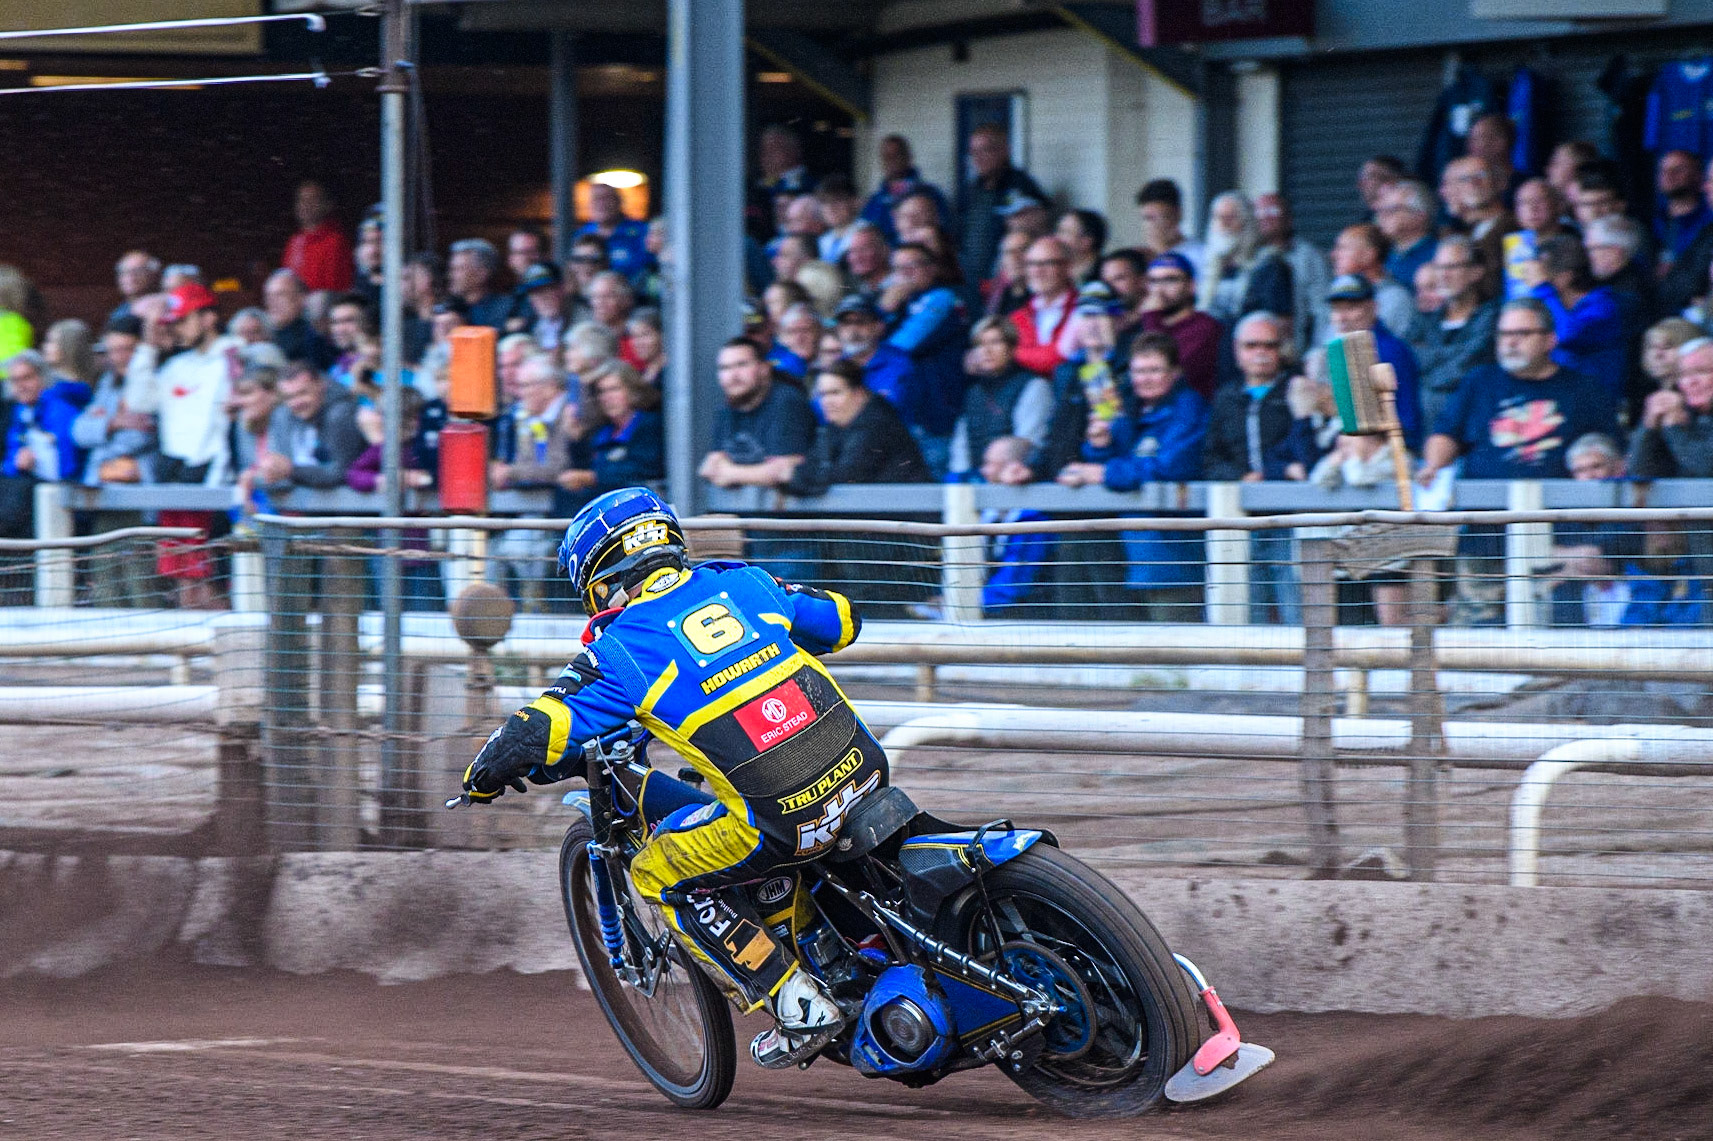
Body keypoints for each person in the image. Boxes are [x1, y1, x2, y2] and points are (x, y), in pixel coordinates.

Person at [460, 486, 880, 1067]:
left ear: (602, 578)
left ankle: (796, 1003)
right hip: (865, 772)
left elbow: (543, 728)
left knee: (659, 870)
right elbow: (841, 619)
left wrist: (483, 774)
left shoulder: (622, 650)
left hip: (786, 819)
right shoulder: (746, 584)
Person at [1057, 333, 1208, 619]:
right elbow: (1121, 461)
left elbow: (1169, 467)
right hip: (1134, 558)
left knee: (1174, 653)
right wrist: (1099, 445)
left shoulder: (1188, 407)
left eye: (1155, 370)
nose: (1145, 378)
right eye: (1139, 370)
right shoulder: (1133, 412)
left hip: (1175, 561)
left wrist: (1101, 471)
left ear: (1175, 373)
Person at [1421, 298, 1619, 484]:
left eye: (1522, 333)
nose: (1511, 342)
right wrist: (1433, 466)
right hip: (1486, 511)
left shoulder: (1585, 389)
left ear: (1550, 340)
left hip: (1560, 512)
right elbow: (1446, 433)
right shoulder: (1479, 381)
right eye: (1504, 334)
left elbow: (1611, 452)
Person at [1202, 312, 1301, 624]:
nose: (1260, 353)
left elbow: (1305, 451)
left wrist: (1276, 473)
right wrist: (1239, 479)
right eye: (1251, 345)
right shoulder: (1225, 398)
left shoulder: (1296, 391)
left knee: (1296, 605)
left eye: (1269, 346)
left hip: (1292, 518)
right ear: (1237, 350)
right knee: (1246, 608)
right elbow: (1209, 460)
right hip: (1241, 520)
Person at [878, 242, 968, 473]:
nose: (905, 274)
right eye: (898, 268)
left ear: (932, 269)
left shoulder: (943, 298)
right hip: (905, 419)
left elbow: (901, 346)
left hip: (934, 421)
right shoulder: (902, 307)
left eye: (912, 266)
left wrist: (884, 312)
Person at [782, 360, 929, 495]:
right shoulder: (833, 427)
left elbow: (845, 476)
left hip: (906, 517)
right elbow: (814, 465)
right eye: (822, 395)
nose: (827, 402)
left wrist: (790, 474)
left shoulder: (877, 424)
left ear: (859, 393)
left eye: (835, 393)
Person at [1407, 234, 1499, 431]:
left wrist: (1428, 365)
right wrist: (1452, 354)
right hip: (1426, 431)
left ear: (1475, 272)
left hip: (1473, 430)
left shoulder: (1493, 317)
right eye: (1439, 267)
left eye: (1452, 267)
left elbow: (1466, 366)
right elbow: (1409, 359)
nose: (1443, 275)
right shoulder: (1424, 320)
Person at [700, 337, 816, 490]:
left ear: (764, 369)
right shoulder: (726, 410)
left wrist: (730, 473)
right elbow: (709, 467)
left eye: (742, 365)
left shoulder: (786, 401)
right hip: (744, 510)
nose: (733, 376)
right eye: (724, 368)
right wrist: (757, 473)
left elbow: (784, 470)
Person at [1325, 274, 1424, 448]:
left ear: (1373, 307)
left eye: (1350, 308)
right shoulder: (1337, 350)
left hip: (1389, 451)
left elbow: (1404, 421)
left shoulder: (1389, 351)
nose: (1342, 317)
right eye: (1336, 309)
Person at [949, 316, 1052, 478]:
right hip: (978, 486)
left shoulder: (1033, 385)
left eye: (995, 342)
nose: (986, 350)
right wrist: (961, 477)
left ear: (1011, 348)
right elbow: (961, 447)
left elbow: (1029, 444)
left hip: (1016, 484)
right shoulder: (973, 392)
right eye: (979, 344)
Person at [1528, 234, 1626, 402]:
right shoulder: (1557, 307)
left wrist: (1543, 288)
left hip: (1596, 402)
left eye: (1543, 275)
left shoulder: (1603, 306)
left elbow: (1566, 335)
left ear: (1565, 277)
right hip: (1560, 397)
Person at [559, 362, 665, 510]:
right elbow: (584, 468)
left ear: (632, 390)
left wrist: (593, 478)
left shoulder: (649, 425)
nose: (607, 397)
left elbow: (644, 469)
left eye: (614, 389)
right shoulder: (601, 432)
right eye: (602, 392)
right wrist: (576, 440)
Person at [252, 362, 366, 491]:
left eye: (303, 393)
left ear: (321, 385)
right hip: (304, 506)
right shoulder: (283, 414)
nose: (296, 403)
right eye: (289, 397)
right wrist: (256, 476)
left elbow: (344, 474)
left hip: (352, 507)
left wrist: (291, 471)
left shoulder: (340, 415)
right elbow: (279, 471)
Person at [958, 124, 1048, 284]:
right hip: (971, 279)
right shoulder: (972, 189)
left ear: (1005, 150)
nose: (978, 158)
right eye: (974, 152)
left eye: (985, 150)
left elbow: (1030, 231)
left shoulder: (1020, 185)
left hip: (1004, 280)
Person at [1200, 191, 1292, 330]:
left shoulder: (1269, 265)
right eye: (1218, 217)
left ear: (1247, 222)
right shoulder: (1207, 266)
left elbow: (1282, 323)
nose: (1224, 224)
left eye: (1231, 217)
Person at [1138, 253, 1222, 400]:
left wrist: (1152, 316)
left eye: (1170, 280)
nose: (1159, 289)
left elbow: (1165, 373)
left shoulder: (1205, 327)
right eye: (1153, 281)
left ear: (1191, 286)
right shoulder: (1147, 322)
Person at [1628, 337, 1713, 479]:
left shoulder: (1674, 421)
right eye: (1684, 375)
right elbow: (1638, 473)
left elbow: (1706, 469)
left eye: (1701, 371)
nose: (1692, 382)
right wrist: (1649, 428)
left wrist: (1675, 428)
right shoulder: (1677, 410)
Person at [1255, 193, 1329, 353]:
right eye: (1260, 212)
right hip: (1255, 349)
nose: (1265, 217)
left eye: (1273, 211)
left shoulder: (1309, 257)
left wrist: (1316, 353)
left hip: (1295, 352)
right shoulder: (1248, 256)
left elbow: (1322, 309)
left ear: (1289, 218)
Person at [1441, 157, 1520, 301]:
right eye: (1464, 179)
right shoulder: (1464, 232)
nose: (1473, 183)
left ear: (1500, 182)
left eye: (1481, 175)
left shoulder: (1516, 227)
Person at [1328, 223, 1413, 342]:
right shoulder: (1337, 293)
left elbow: (1374, 347)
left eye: (1343, 248)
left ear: (1369, 255)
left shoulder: (1395, 298)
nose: (1334, 255)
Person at [1008, 236, 1078, 376]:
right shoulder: (1017, 318)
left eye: (1047, 263)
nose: (1037, 271)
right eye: (1031, 264)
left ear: (1067, 267)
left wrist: (1010, 353)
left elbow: (1057, 358)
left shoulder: (1086, 309)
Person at [861, 134, 950, 242]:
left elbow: (943, 232)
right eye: (886, 157)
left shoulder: (930, 194)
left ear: (908, 157)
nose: (891, 161)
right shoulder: (875, 200)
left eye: (896, 155)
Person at [831, 294, 911, 413]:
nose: (853, 330)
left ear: (878, 327)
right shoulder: (835, 368)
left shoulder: (899, 364)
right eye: (846, 323)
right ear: (838, 329)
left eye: (860, 322)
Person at [282, 180, 353, 293]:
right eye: (301, 200)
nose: (305, 205)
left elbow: (335, 288)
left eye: (312, 200)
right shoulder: (294, 242)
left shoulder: (335, 242)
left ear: (327, 205)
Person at [1654, 150, 1711, 279]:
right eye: (1663, 170)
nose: (1668, 175)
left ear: (1698, 175)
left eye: (1678, 169)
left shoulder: (1708, 221)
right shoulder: (1652, 220)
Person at [263, 269, 336, 370]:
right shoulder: (265, 335)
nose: (272, 302)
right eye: (268, 296)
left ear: (302, 298)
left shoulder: (315, 336)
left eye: (280, 294)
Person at [1376, 180, 1438, 295]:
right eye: (1382, 210)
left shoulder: (1439, 256)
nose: (1383, 216)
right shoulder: (1383, 257)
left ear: (1420, 215)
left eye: (1392, 209)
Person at [1135, 179, 1205, 278]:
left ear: (1178, 215)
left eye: (1162, 217)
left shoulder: (1201, 257)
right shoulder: (1140, 260)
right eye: (1148, 218)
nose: (1154, 225)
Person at [579, 183, 650, 279]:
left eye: (607, 198)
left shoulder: (641, 231)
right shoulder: (582, 234)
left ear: (619, 201)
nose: (601, 204)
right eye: (596, 199)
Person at [448, 238, 512, 330]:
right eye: (452, 269)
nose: (451, 276)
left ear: (482, 273)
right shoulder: (450, 309)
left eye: (459, 269)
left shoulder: (505, 309)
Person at [814, 175, 862, 264]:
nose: (830, 207)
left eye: (837, 200)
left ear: (855, 202)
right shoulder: (823, 240)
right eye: (825, 202)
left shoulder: (866, 233)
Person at [769, 303, 822, 383]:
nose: (799, 338)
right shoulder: (773, 366)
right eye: (792, 332)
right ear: (781, 337)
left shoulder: (831, 357)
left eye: (805, 330)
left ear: (819, 332)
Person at [1055, 209, 1107, 285]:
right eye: (1058, 231)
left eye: (1064, 232)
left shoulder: (1106, 275)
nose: (1056, 237)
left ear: (1086, 240)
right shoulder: (1056, 271)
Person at [841, 223, 891, 300]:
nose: (856, 257)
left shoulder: (899, 284)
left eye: (864, 249)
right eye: (852, 251)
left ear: (884, 250)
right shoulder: (858, 290)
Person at [111, 250, 162, 325]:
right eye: (124, 272)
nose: (130, 277)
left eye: (138, 271)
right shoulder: (119, 311)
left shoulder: (163, 306)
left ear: (154, 275)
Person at [626, 307, 666, 386]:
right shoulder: (637, 375)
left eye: (645, 334)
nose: (638, 343)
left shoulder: (673, 375)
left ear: (662, 335)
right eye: (633, 336)